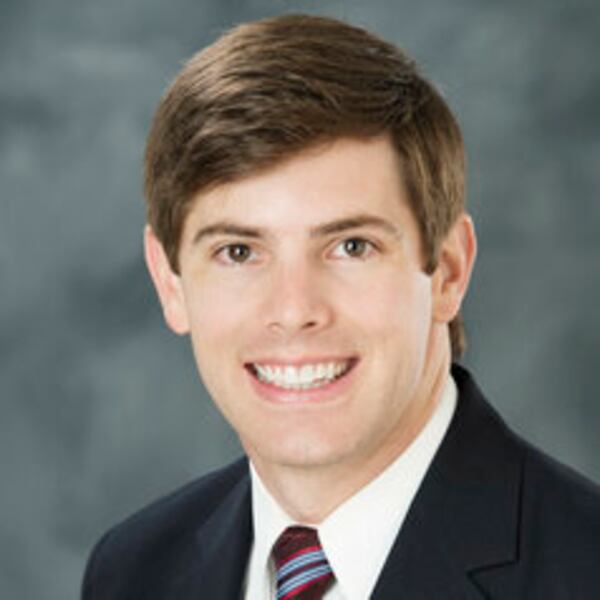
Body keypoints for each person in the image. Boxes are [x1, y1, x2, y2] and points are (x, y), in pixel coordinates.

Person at [81, 14, 600, 600]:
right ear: (170, 281)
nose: (295, 309)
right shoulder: (134, 572)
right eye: (238, 251)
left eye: (351, 246)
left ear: (449, 270)